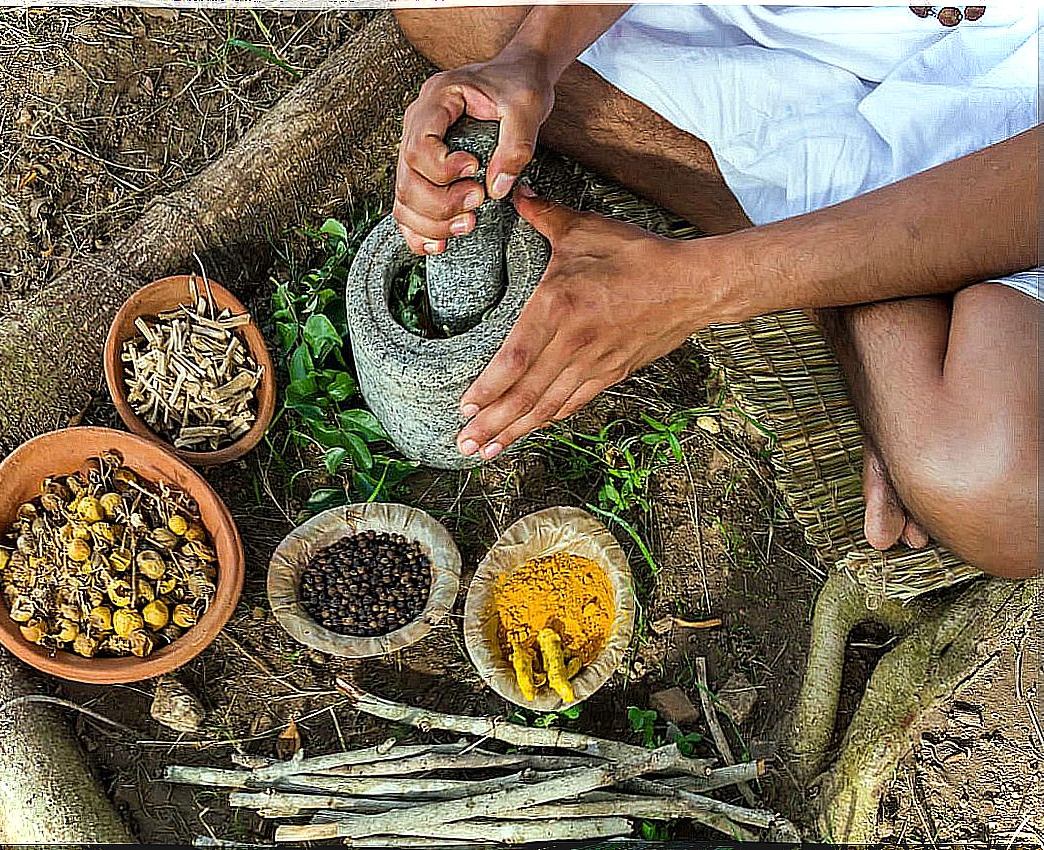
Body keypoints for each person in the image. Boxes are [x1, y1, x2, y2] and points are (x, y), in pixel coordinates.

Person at [391, 6, 1040, 580]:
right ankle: (849, 269)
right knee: (453, 13)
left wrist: (694, 286)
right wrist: (529, 57)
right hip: (804, 41)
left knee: (1008, 503)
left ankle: (843, 274)